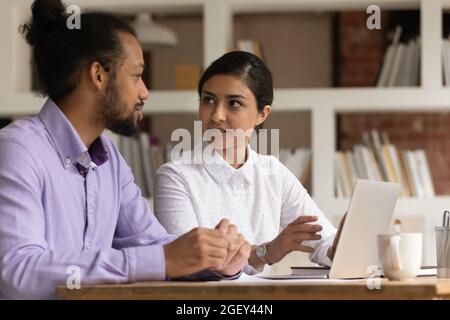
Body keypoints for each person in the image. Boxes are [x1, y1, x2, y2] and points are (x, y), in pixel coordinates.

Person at [0, 0, 250, 299]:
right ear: (98, 75)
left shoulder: (110, 161)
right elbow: (18, 273)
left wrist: (214, 260)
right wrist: (164, 260)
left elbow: (151, 245)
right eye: (136, 75)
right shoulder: (17, 150)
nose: (144, 92)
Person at [154, 51, 345, 273]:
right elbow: (187, 264)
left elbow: (322, 238)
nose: (217, 115)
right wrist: (266, 252)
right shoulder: (175, 176)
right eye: (208, 100)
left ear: (262, 114)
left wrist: (335, 249)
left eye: (233, 103)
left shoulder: (272, 172)